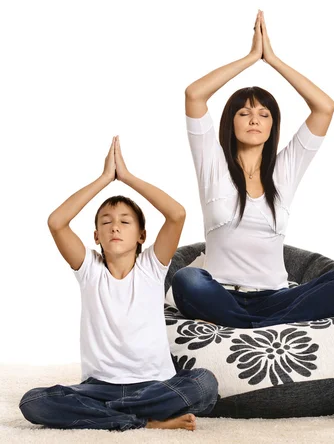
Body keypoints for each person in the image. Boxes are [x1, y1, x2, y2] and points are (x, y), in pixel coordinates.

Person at [173, 10, 334, 328]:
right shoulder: (213, 164)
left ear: (273, 125)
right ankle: (262, 324)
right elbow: (194, 95)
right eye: (245, 113)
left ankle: (249, 324)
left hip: (277, 297)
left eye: (263, 114)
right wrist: (250, 58)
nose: (253, 120)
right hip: (220, 293)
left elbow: (324, 107)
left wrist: (272, 59)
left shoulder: (284, 170)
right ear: (230, 122)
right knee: (186, 279)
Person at [19, 136, 218, 431]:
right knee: (31, 401)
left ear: (141, 236)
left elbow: (176, 214)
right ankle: (143, 420)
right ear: (96, 236)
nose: (115, 226)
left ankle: (111, 415)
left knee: (204, 383)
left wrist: (125, 177)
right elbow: (56, 222)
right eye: (106, 221)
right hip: (99, 388)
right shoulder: (89, 269)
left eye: (125, 221)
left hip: (155, 385)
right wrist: (103, 179)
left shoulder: (151, 267)